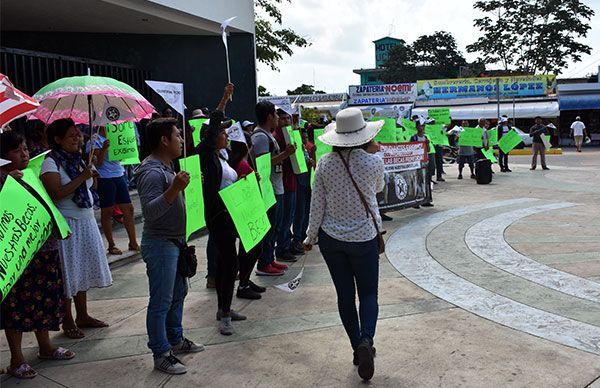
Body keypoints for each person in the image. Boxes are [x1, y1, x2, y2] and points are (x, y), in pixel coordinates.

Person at [304, 107, 384, 382]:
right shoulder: (374, 161)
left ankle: (355, 347)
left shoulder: (324, 164)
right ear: (363, 134)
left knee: (345, 296)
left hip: (332, 239)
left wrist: (310, 236)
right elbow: (378, 189)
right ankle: (366, 340)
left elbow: (317, 204)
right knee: (369, 294)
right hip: (364, 237)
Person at [0, 130, 75, 380]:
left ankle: (46, 346)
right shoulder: (3, 182)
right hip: (17, 258)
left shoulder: (32, 175)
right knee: (16, 307)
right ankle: (16, 359)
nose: (24, 154)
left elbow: (47, 205)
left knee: (45, 299)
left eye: (25, 149)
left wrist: (60, 227)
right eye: (16, 150)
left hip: (45, 249)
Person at [134, 117, 204, 375]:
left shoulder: (168, 166)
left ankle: (175, 339)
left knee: (178, 293)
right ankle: (161, 352)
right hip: (160, 244)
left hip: (175, 242)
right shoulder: (151, 171)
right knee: (161, 301)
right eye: (177, 135)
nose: (182, 140)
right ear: (164, 140)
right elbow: (150, 213)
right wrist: (175, 188)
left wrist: (184, 186)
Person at [40, 119, 113, 339]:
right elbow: (55, 192)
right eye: (71, 136)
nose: (78, 139)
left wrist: (92, 177)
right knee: (68, 271)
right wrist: (83, 177)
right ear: (58, 139)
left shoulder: (79, 160)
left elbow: (88, 188)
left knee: (82, 268)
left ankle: (83, 314)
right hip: (67, 223)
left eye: (78, 135)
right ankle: (68, 319)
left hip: (87, 219)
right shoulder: (51, 162)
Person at [198, 83, 247, 335]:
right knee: (229, 263)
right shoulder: (206, 155)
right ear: (211, 136)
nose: (226, 135)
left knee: (232, 263)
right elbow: (213, 128)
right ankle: (224, 315)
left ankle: (224, 307)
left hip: (232, 215)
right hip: (219, 216)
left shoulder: (223, 157)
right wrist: (223, 100)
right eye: (222, 132)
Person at [251, 101, 296, 276]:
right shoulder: (260, 137)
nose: (278, 119)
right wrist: (285, 154)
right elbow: (262, 164)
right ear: (270, 116)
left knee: (275, 226)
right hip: (268, 189)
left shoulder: (266, 135)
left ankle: (269, 259)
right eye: (276, 115)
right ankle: (263, 264)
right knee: (269, 227)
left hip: (277, 187)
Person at [87, 126, 140, 255]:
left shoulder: (117, 133)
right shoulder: (94, 140)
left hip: (119, 174)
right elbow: (97, 163)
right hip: (105, 178)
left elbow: (121, 156)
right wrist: (104, 148)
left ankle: (133, 242)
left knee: (129, 209)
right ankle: (111, 245)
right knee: (107, 211)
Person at [228, 133, 267, 300]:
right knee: (252, 249)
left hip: (247, 212)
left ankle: (245, 279)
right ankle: (243, 283)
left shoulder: (239, 163)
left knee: (250, 249)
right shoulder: (242, 165)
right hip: (247, 213)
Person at [272, 109, 303, 258]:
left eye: (288, 119)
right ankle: (281, 248)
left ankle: (286, 244)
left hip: (292, 181)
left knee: (289, 217)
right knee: (283, 219)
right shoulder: (276, 137)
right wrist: (286, 153)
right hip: (282, 183)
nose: (286, 122)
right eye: (283, 119)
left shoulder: (291, 136)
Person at [291, 127, 315, 253]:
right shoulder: (297, 150)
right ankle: (297, 239)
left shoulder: (305, 149)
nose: (305, 140)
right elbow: (299, 166)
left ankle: (304, 235)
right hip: (300, 184)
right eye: (303, 138)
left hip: (307, 183)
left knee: (306, 211)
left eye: (306, 138)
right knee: (300, 213)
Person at [410, 121, 434, 207]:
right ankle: (416, 201)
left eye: (423, 126)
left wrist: (427, 144)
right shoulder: (414, 138)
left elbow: (428, 150)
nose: (422, 128)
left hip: (425, 162)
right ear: (416, 127)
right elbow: (411, 149)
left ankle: (426, 200)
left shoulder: (426, 137)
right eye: (420, 126)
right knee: (417, 181)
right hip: (417, 163)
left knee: (426, 181)